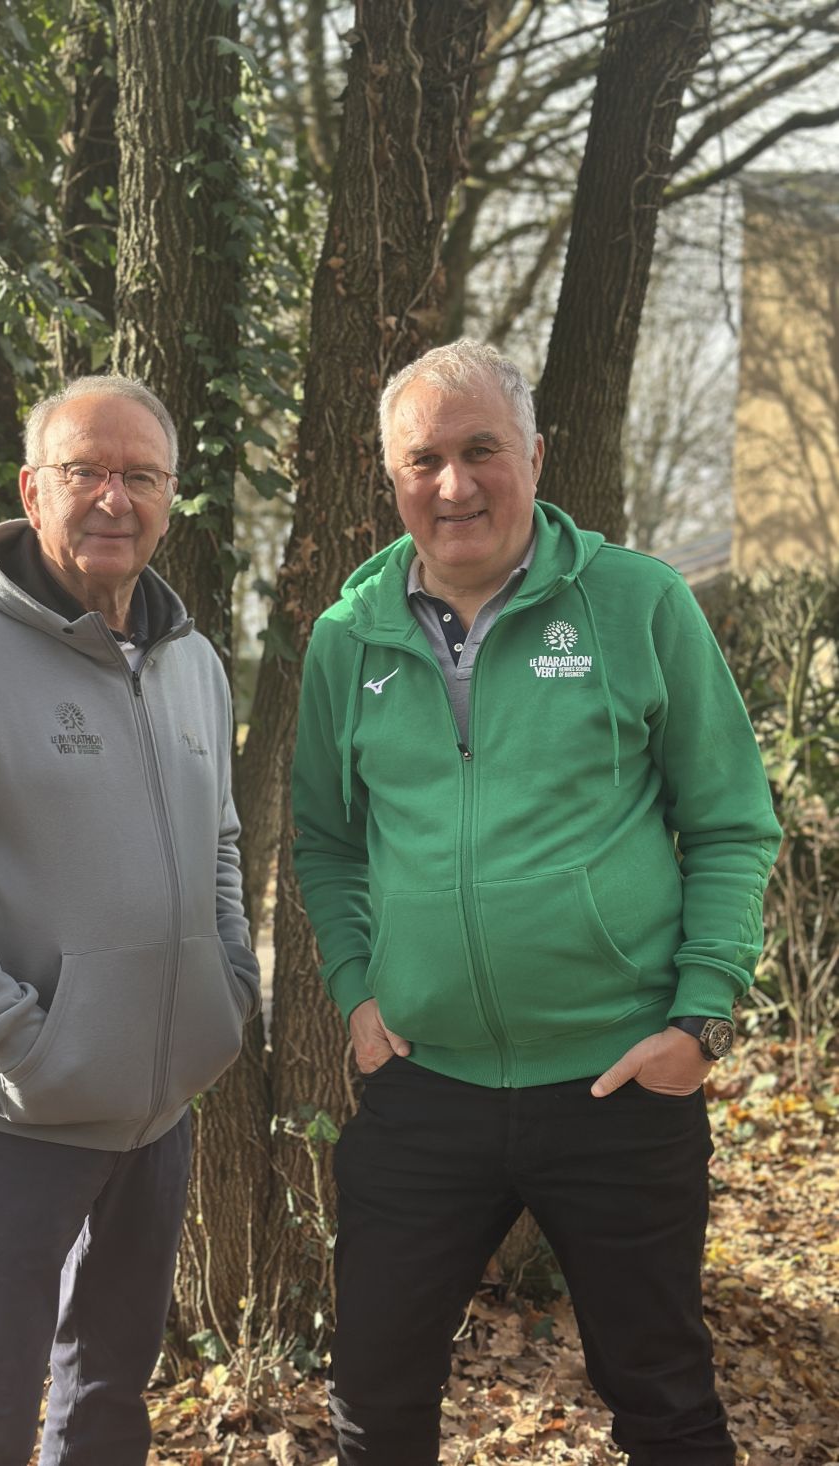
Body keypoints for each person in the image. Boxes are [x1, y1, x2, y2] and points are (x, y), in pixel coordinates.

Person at [291, 339, 780, 1465]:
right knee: (372, 1395)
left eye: (480, 452)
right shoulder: (343, 637)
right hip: (423, 1084)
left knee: (662, 1397)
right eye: (424, 459)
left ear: (534, 456)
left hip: (616, 1078)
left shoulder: (635, 602)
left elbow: (728, 820)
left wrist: (699, 1017)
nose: (453, 485)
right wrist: (357, 994)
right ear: (391, 476)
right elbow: (324, 837)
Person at [0, 375, 260, 1466]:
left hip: (158, 1115)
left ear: (170, 497)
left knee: (108, 1403)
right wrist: (14, 1038)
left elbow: (218, 839)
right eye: (85, 472)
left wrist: (223, 989)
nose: (112, 498)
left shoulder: (194, 664)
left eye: (139, 475)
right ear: (34, 490)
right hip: (12, 1123)